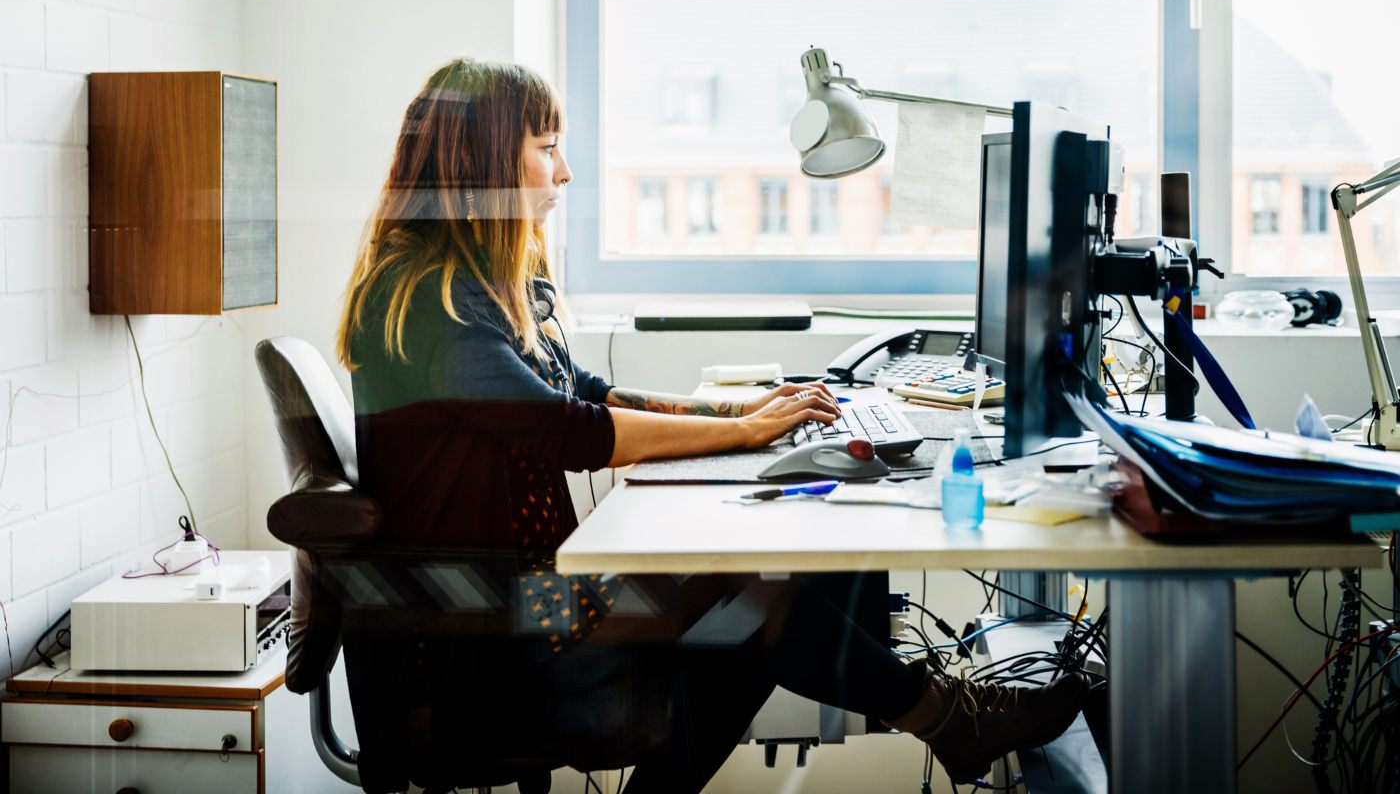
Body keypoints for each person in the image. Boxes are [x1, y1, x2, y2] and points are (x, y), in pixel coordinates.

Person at [336, 57, 1088, 791]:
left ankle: (949, 717)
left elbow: (587, 390)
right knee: (765, 602)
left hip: (517, 603)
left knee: (770, 590)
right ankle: (951, 719)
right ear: (485, 162)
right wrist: (743, 433)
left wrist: (738, 410)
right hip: (495, 633)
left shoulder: (469, 283)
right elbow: (570, 431)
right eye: (546, 147)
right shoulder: (431, 302)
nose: (563, 172)